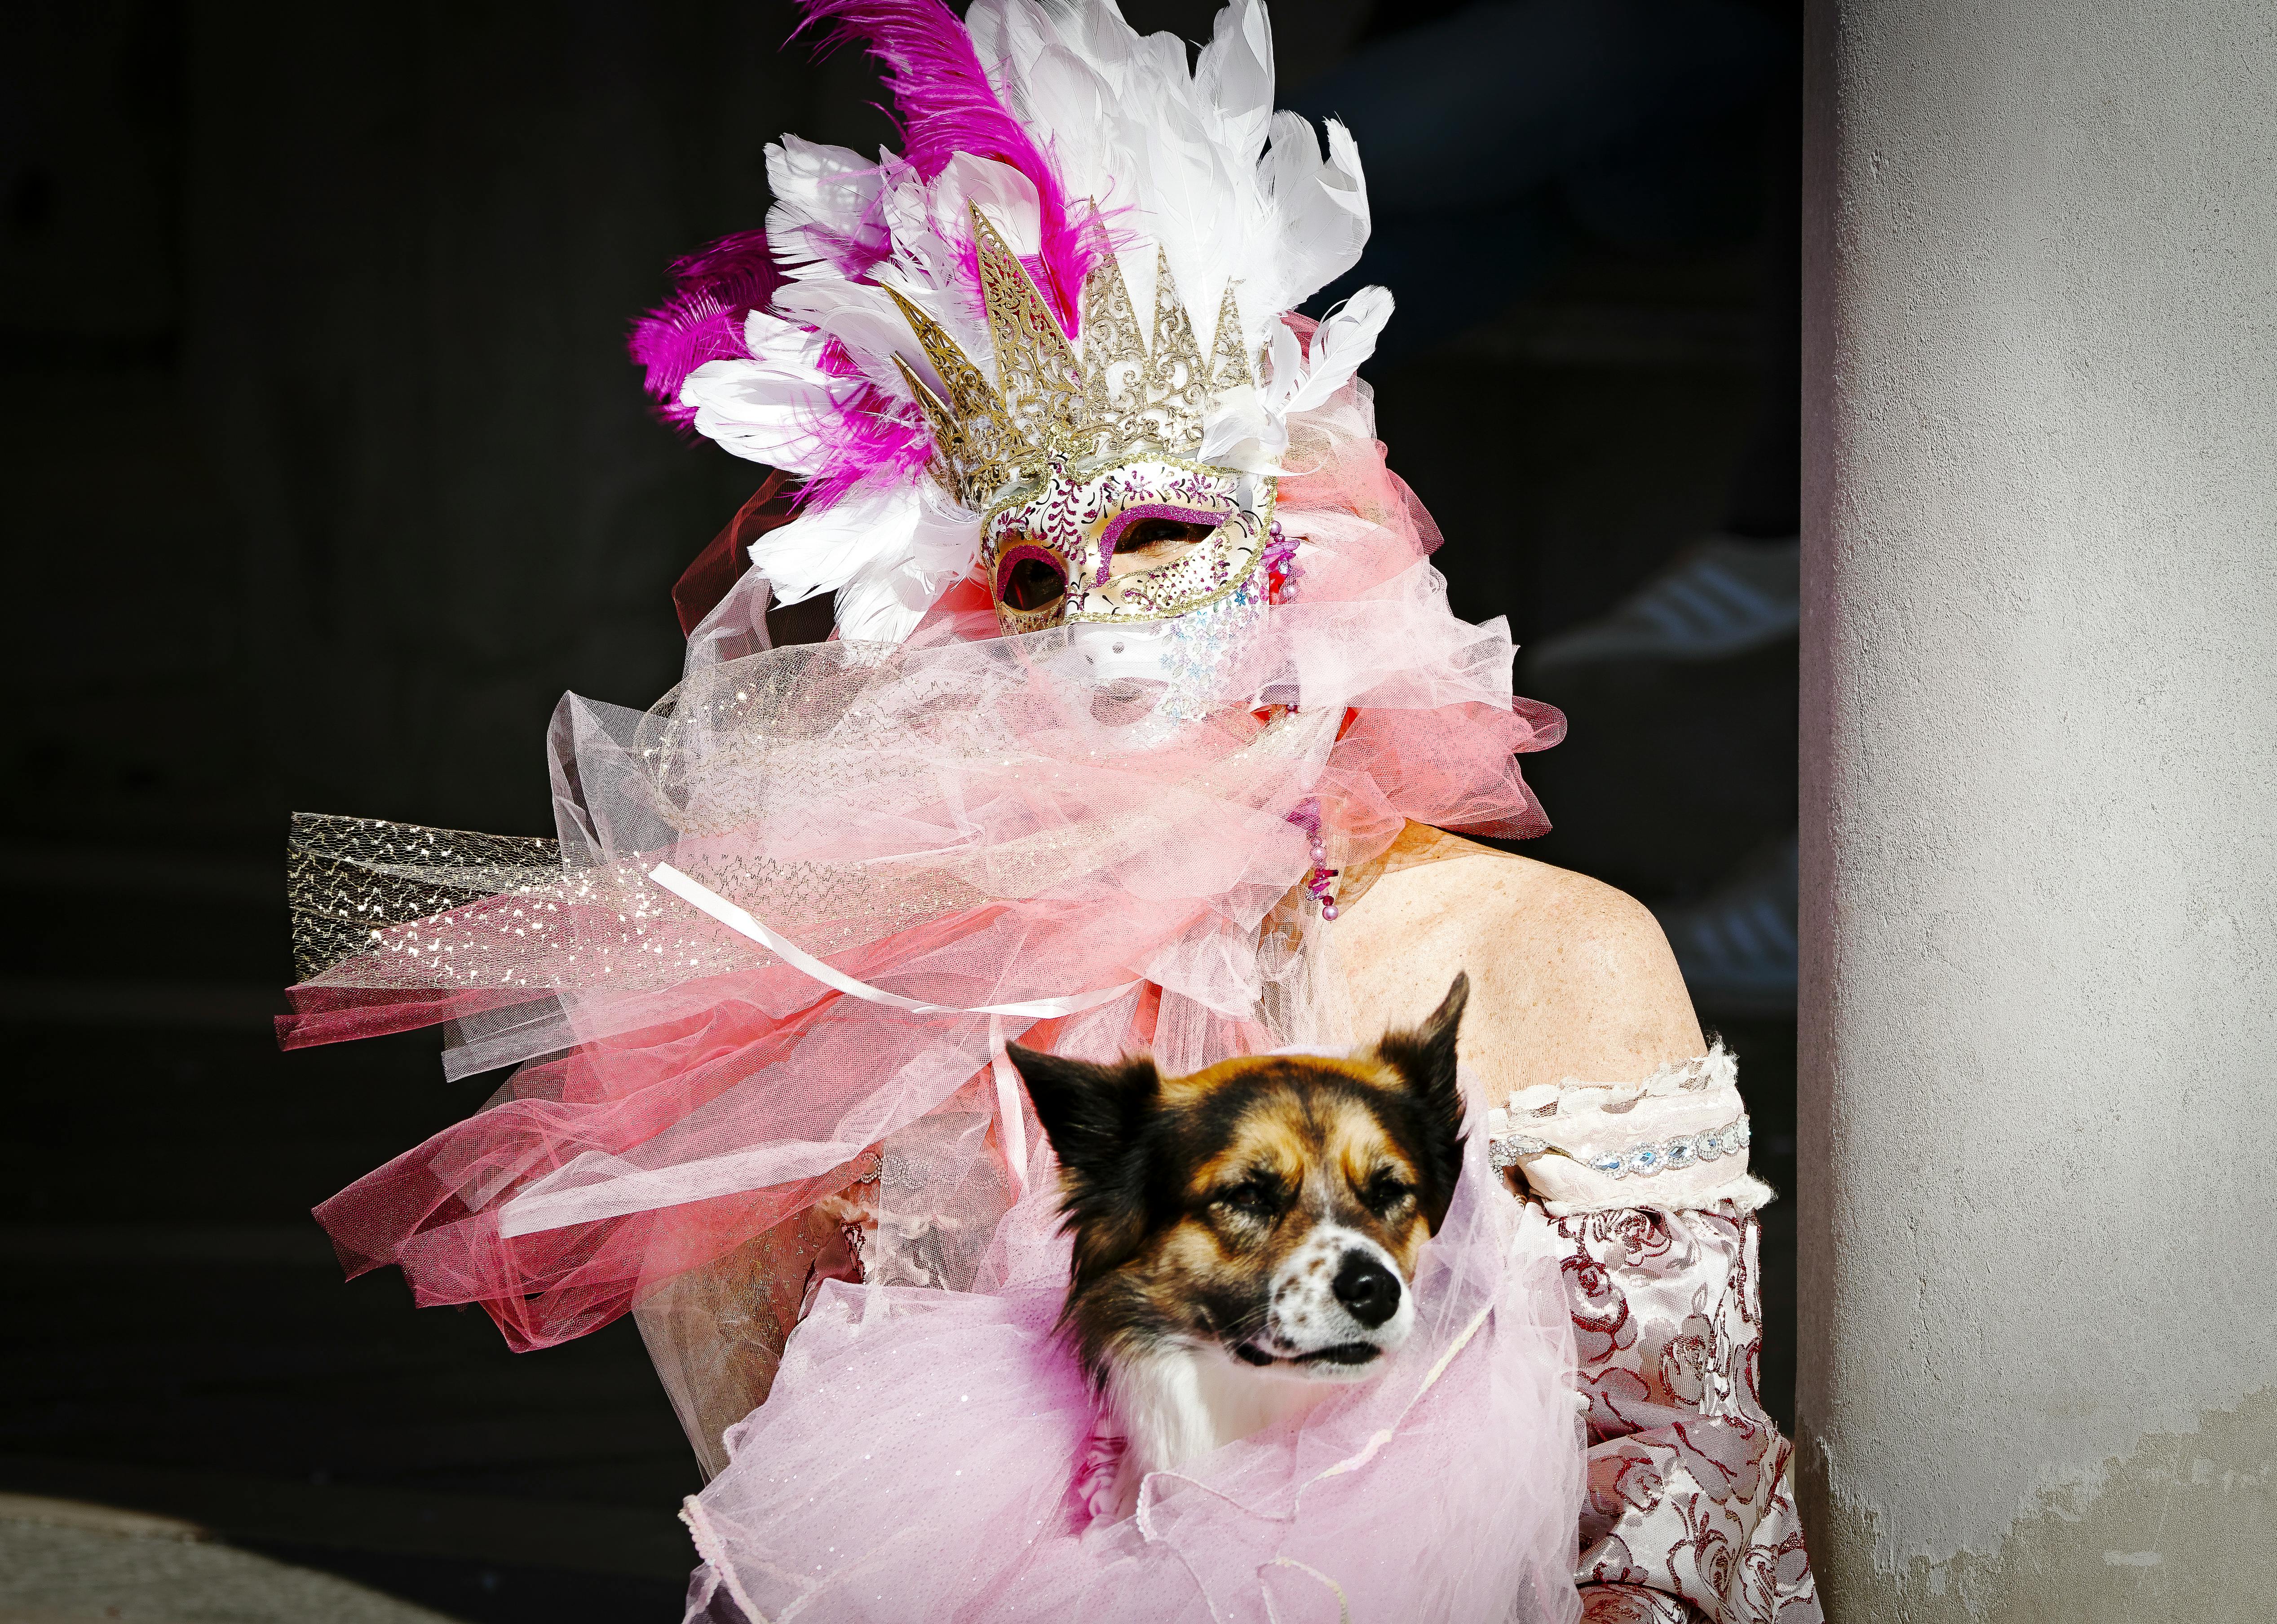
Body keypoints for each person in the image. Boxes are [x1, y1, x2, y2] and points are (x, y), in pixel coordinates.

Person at [283, 3, 1817, 1618]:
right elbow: (799, 1522)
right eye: (1031, 569)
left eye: (1162, 536)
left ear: (1301, 542)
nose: (1106, 621)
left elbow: (1675, 1500)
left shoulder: (1537, 960)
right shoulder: (831, 1008)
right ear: (954, 606)